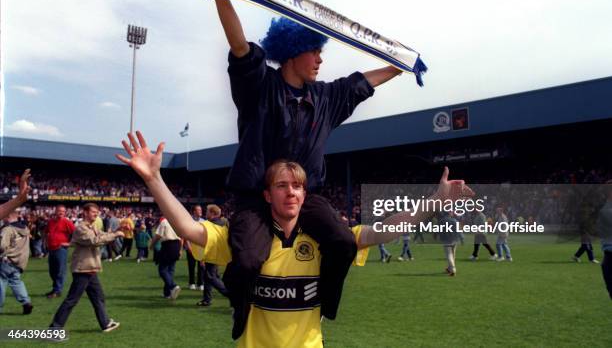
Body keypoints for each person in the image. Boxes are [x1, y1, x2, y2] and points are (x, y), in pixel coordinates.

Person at [174, 0, 407, 338]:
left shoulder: (327, 97)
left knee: (340, 242)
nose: (319, 60)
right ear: (292, 50)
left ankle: (326, 302)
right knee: (247, 262)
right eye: (314, 51)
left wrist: (399, 64)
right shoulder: (259, 87)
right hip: (254, 196)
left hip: (307, 195)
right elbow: (238, 45)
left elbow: (361, 82)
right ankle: (241, 308)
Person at [115, 131, 473, 347]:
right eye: (282, 186)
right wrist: (154, 180)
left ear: (305, 194)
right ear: (267, 195)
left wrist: (435, 201)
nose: (292, 193)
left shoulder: (323, 239)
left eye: (298, 186)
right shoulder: (246, 240)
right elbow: (189, 229)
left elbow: (384, 229)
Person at [49, 203, 122, 333]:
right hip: (83, 269)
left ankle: (105, 323)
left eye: (97, 212)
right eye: (93, 212)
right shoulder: (81, 228)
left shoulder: (91, 227)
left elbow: (102, 235)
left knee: (98, 297)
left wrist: (116, 231)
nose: (96, 214)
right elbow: (94, 241)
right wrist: (115, 235)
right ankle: (55, 327)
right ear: (85, 213)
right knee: (72, 300)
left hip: (90, 268)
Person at [0, 209, 33, 314]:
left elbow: (2, 246)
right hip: (19, 262)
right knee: (16, 282)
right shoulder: (24, 228)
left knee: (1, 282)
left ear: (7, 216)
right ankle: (26, 302)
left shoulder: (8, 229)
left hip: (7, 260)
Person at [197, 204, 229, 307]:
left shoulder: (208, 225)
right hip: (220, 253)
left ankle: (230, 294)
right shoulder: (224, 223)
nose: (206, 213)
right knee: (209, 276)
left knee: (210, 276)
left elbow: (206, 241)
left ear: (212, 213)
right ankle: (207, 299)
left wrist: (202, 257)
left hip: (211, 253)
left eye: (207, 211)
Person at [45, 205, 75, 298]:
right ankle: (55, 289)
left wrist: (69, 243)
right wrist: (45, 242)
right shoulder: (50, 222)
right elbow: (46, 232)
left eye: (63, 211)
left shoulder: (67, 222)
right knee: (52, 271)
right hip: (51, 249)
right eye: (59, 211)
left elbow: (76, 233)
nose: (61, 213)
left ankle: (58, 290)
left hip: (61, 249)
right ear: (55, 211)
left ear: (65, 212)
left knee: (60, 270)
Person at [150, 217, 182, 300]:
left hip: (168, 245)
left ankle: (173, 286)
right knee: (170, 270)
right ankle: (167, 293)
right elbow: (181, 236)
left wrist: (152, 245)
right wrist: (180, 249)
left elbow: (158, 235)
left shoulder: (164, 221)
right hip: (177, 245)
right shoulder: (177, 220)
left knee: (162, 270)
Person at [185, 205, 205, 290]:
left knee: (201, 266)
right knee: (191, 266)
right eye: (198, 210)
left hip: (200, 247)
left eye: (200, 210)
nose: (200, 211)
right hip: (191, 246)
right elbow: (186, 234)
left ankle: (200, 283)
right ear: (194, 211)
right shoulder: (189, 221)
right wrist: (188, 246)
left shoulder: (203, 221)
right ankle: (192, 283)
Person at [439, 211, 459, 276]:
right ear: (450, 213)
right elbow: (458, 230)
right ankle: (449, 268)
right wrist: (461, 238)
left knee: (449, 255)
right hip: (455, 239)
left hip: (446, 239)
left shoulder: (441, 221)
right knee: (453, 254)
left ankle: (453, 269)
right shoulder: (455, 220)